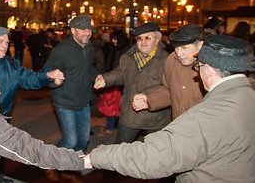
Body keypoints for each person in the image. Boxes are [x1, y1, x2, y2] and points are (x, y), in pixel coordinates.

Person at [84, 34, 255, 182]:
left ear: (208, 70)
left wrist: (95, 157)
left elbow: (152, 158)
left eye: (199, 66)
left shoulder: (205, 116)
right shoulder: (249, 97)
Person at [43, 15, 100, 181]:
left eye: (89, 29)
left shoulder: (89, 47)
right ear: (73, 30)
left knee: (83, 141)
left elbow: (88, 68)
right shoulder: (61, 50)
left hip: (83, 101)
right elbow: (46, 73)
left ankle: (69, 169)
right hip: (65, 101)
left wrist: (97, 77)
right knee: (70, 140)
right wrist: (55, 80)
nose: (87, 33)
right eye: (83, 29)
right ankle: (48, 160)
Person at [94, 22, 171, 143]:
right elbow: (120, 73)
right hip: (131, 114)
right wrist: (105, 79)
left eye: (148, 38)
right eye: (139, 38)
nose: (143, 41)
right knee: (121, 149)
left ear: (157, 39)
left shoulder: (167, 59)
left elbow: (168, 87)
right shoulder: (129, 56)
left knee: (158, 152)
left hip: (155, 116)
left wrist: (147, 97)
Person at [132, 24, 207, 119]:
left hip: (201, 127)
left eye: (184, 48)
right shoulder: (172, 60)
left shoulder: (212, 66)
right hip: (177, 125)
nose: (179, 54)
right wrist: (149, 101)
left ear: (200, 45)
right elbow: (168, 90)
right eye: (176, 48)